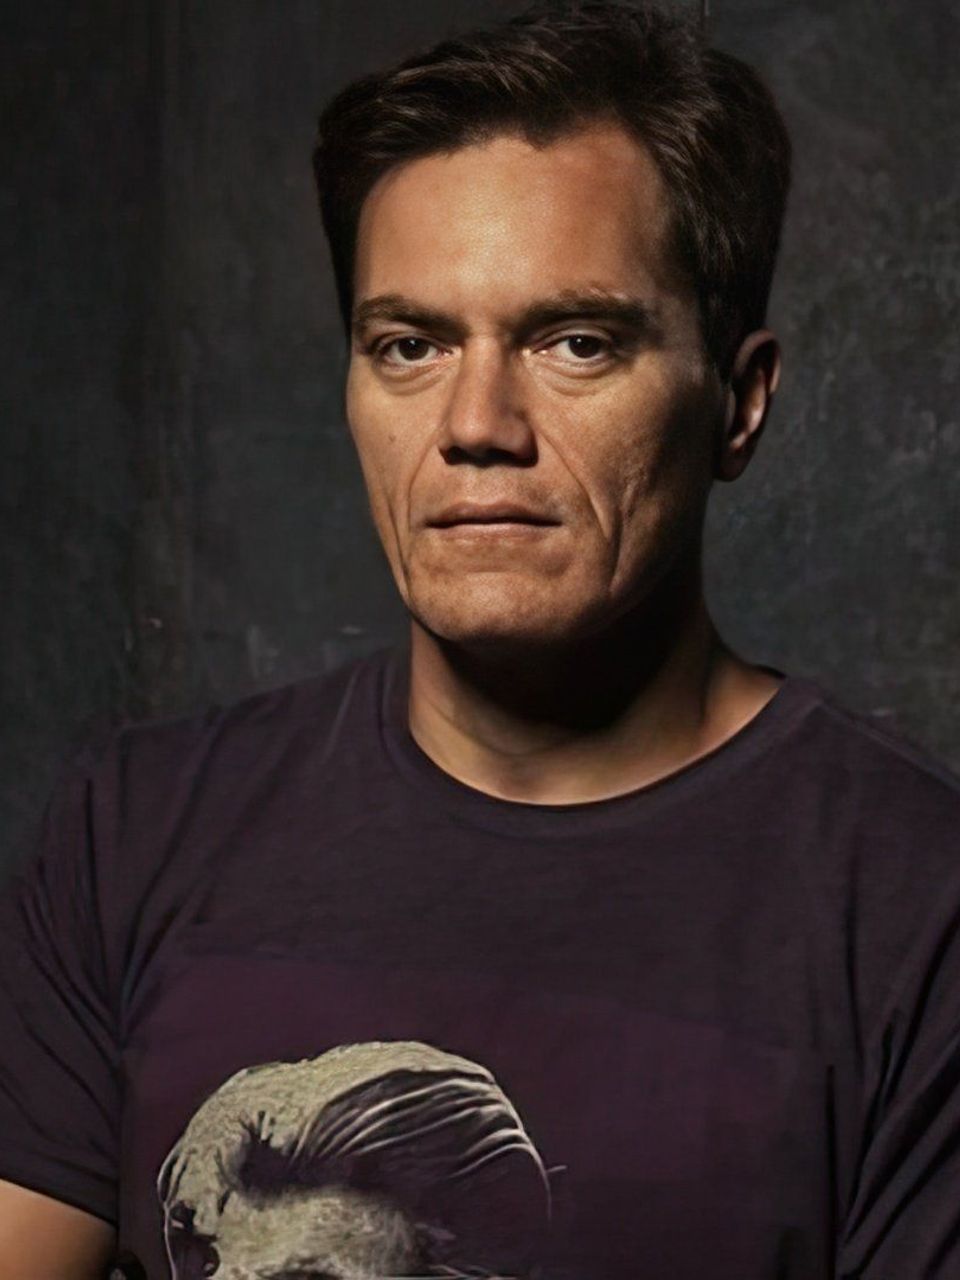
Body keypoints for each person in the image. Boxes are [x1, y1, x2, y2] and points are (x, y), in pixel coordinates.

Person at [1, 2, 959, 1277]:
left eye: (575, 342)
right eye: (410, 344)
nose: (474, 424)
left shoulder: (915, 902)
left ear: (739, 400)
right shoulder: (137, 829)